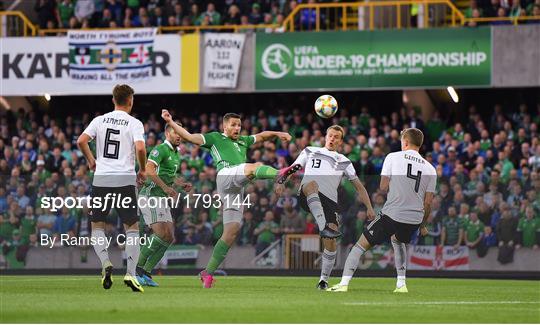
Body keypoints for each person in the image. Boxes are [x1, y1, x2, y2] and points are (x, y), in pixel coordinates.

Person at [161, 109, 300, 288]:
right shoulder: (215, 138)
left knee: (231, 232)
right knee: (254, 166)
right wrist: (171, 122)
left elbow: (263, 136)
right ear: (224, 126)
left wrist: (278, 133)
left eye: (239, 125)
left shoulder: (243, 140)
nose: (237, 128)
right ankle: (279, 174)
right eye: (233, 125)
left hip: (236, 188)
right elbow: (188, 136)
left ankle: (207, 273)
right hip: (225, 177)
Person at [328, 128, 436, 293]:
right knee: (398, 241)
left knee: (358, 246)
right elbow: (428, 203)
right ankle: (401, 285)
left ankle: (343, 284)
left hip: (393, 214)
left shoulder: (392, 157)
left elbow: (383, 187)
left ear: (405, 142)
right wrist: (422, 226)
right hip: (414, 220)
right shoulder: (430, 169)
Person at [277, 125, 375, 290]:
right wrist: (281, 181)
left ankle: (323, 280)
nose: (332, 139)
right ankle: (323, 226)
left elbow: (359, 186)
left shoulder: (344, 161)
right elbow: (295, 167)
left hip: (329, 203)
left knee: (330, 242)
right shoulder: (310, 150)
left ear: (340, 141)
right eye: (330, 135)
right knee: (311, 184)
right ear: (325, 136)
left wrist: (370, 208)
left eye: (336, 137)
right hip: (307, 194)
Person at [77, 84, 146, 292]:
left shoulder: (99, 120)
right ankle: (131, 274)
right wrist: (142, 169)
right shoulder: (134, 123)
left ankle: (106, 262)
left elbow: (81, 140)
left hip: (102, 179)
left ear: (113, 100)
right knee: (132, 228)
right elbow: (141, 147)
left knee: (97, 226)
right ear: (130, 101)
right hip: (124, 179)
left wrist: (91, 161)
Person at [136, 121, 192, 287]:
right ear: (168, 133)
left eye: (181, 134)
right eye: (176, 133)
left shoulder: (176, 153)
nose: (179, 137)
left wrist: (180, 184)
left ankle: (146, 271)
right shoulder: (160, 149)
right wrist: (166, 188)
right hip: (150, 195)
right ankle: (136, 269)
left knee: (169, 237)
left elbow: (169, 174)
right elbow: (149, 170)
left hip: (161, 197)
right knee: (160, 234)